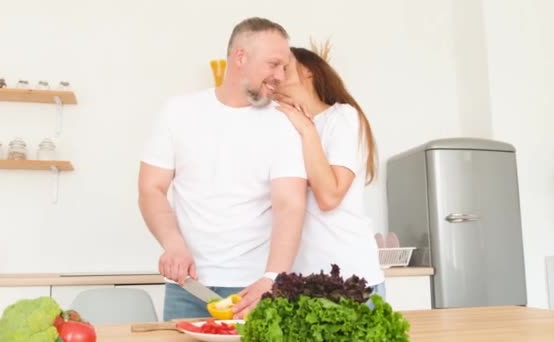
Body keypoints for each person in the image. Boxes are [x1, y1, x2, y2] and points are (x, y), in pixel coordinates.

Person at [138, 17, 307, 321]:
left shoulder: (284, 122)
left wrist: (272, 277)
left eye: (284, 67)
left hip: (253, 288)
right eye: (273, 64)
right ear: (240, 57)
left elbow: (290, 203)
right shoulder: (177, 112)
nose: (280, 75)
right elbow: (151, 188)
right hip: (187, 286)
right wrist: (173, 244)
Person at [274, 46, 386, 301]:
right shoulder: (285, 128)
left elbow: (329, 196)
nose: (277, 75)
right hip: (299, 280)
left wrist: (307, 129)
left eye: (285, 66)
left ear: (309, 71)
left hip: (348, 278)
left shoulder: (342, 117)